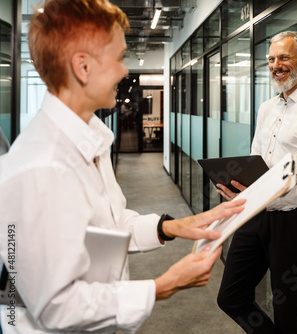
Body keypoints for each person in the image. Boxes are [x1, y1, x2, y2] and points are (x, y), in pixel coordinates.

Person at [0, 1, 245, 333]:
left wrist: (172, 227)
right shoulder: (42, 168)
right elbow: (57, 308)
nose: (124, 71)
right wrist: (164, 285)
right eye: (117, 58)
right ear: (82, 67)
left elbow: (104, 227)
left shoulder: (88, 140)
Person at [216, 31, 297, 333]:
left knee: (287, 307)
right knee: (231, 297)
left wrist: (268, 198)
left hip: (293, 220)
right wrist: (240, 188)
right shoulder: (267, 108)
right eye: (271, 59)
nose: (276, 65)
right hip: (257, 214)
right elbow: (256, 157)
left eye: (284, 57)